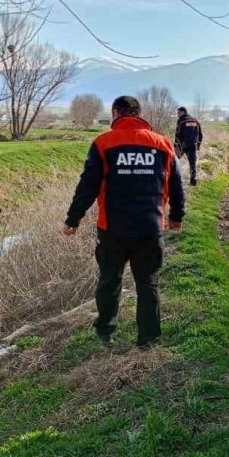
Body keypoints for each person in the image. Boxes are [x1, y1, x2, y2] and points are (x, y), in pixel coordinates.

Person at [63, 95, 185, 349]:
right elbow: (176, 185)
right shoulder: (162, 144)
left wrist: (73, 220)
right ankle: (148, 339)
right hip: (150, 229)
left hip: (112, 230)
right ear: (139, 114)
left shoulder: (103, 143)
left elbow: (87, 186)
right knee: (148, 282)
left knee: (109, 279)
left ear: (117, 113)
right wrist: (176, 216)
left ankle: (105, 332)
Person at [175, 106, 203, 186]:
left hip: (183, 145)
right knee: (192, 164)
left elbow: (177, 135)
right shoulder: (196, 121)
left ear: (183, 112)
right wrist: (198, 145)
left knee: (174, 161)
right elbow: (200, 135)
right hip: (193, 145)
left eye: (178, 113)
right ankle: (193, 180)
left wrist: (176, 146)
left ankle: (174, 179)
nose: (177, 115)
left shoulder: (181, 121)